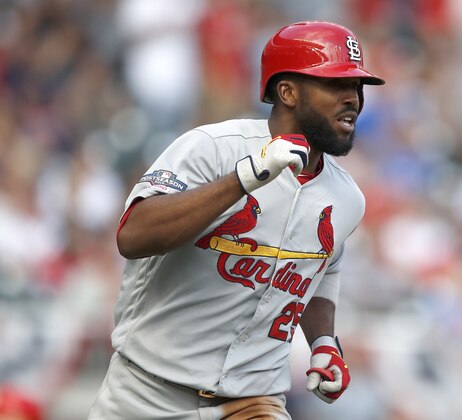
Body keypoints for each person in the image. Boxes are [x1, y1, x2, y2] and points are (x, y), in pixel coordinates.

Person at [89, 20, 384, 419]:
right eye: (336, 84)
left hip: (252, 401)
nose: (352, 98)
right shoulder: (211, 148)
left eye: (357, 87)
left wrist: (324, 342)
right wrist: (243, 179)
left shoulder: (347, 198)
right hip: (148, 392)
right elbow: (133, 234)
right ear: (288, 91)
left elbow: (320, 270)